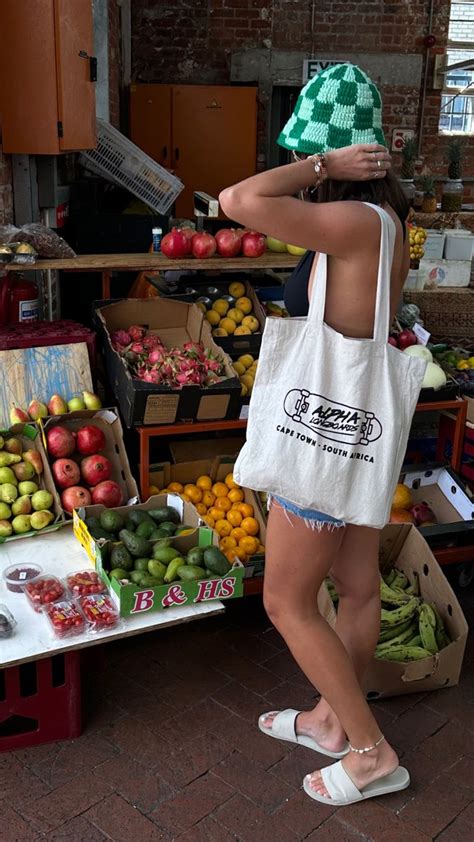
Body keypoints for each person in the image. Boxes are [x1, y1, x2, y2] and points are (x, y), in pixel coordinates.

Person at [219, 64, 412, 807]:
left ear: (336, 160)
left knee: (287, 602)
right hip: (356, 437)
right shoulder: (384, 224)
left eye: (316, 158)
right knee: (357, 589)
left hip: (318, 441)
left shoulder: (353, 219)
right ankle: (334, 722)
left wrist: (324, 163)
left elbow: (238, 200)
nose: (307, 175)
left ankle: (369, 752)